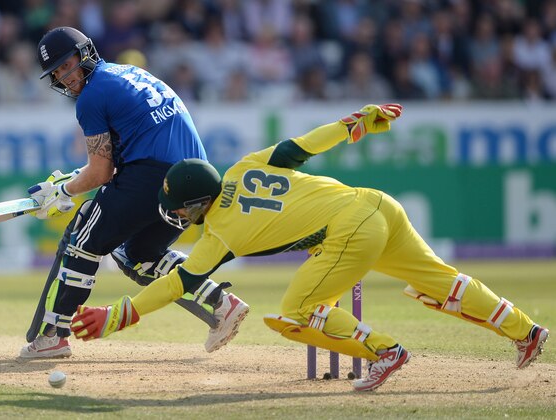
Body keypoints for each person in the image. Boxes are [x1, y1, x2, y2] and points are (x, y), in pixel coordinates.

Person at [69, 103, 549, 392]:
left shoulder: (220, 234)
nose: (178, 217)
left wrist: (115, 316)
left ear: (196, 204)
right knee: (442, 280)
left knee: (296, 312)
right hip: (376, 204)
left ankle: (386, 352)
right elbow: (306, 144)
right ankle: (525, 332)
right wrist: (359, 122)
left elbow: (177, 283)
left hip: (348, 234)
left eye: (181, 209)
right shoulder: (243, 166)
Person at [20, 27, 249, 359]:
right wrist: (65, 186)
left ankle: (53, 334)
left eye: (66, 65)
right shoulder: (128, 72)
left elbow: (101, 172)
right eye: (56, 72)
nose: (65, 76)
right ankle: (221, 304)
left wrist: (63, 192)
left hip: (155, 174)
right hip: (197, 180)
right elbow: (115, 160)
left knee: (83, 238)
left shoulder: (91, 97)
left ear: (85, 54)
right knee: (137, 255)